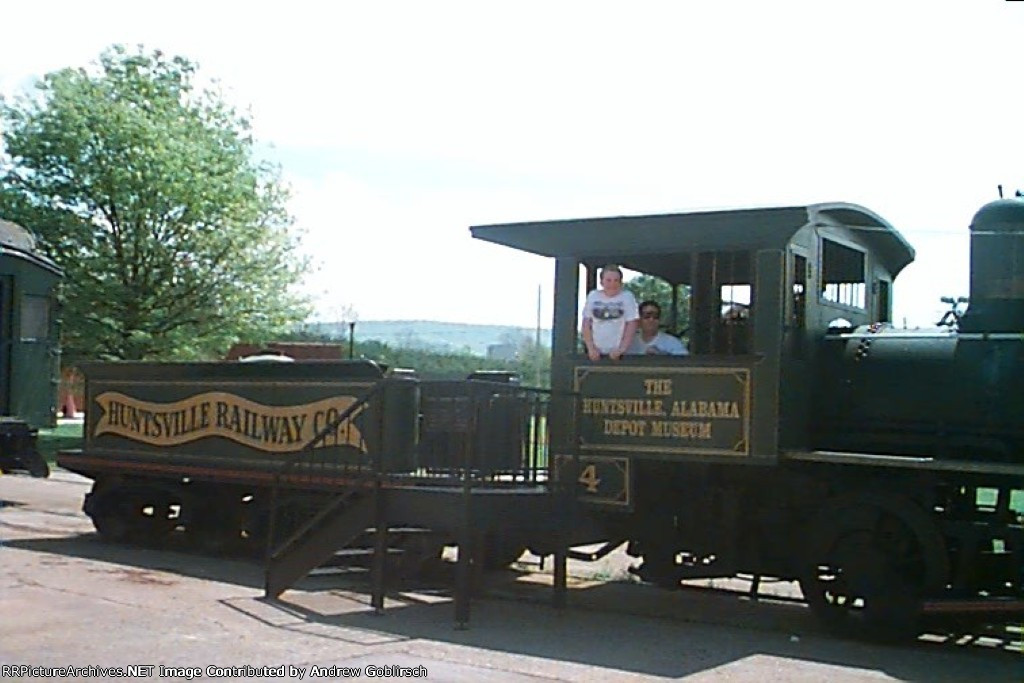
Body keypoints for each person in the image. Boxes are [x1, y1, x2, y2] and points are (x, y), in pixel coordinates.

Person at [582, 264, 639, 361]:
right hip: (596, 353)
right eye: (608, 280)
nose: (612, 284)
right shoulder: (593, 296)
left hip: (619, 354)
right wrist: (591, 348)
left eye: (616, 280)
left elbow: (632, 324)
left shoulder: (627, 297)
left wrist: (622, 349)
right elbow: (586, 323)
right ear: (602, 282)